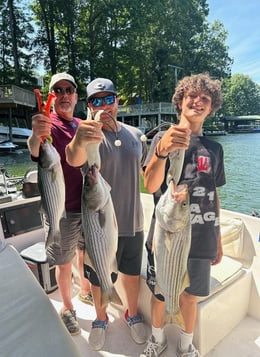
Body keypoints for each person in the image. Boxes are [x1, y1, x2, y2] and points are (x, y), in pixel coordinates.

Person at [141, 73, 225, 357]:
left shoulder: (215, 149)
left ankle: (187, 346)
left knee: (190, 297)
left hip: (203, 236)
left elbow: (215, 193)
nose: (198, 102)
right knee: (160, 293)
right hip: (166, 234)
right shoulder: (162, 140)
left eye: (205, 99)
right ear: (180, 101)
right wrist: (162, 151)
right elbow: (150, 185)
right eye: (191, 96)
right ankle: (157, 339)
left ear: (211, 108)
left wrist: (219, 238)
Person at [65, 77, 147, 350]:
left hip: (133, 221)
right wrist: (79, 139)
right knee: (99, 277)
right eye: (96, 101)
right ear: (89, 106)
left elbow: (149, 175)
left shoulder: (136, 135)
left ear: (117, 100)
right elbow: (73, 157)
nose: (103, 105)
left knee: (131, 275)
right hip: (98, 225)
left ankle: (131, 313)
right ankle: (101, 319)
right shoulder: (89, 136)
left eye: (108, 98)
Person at [27, 72, 99, 335]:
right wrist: (37, 135)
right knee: (64, 260)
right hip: (63, 208)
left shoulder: (80, 123)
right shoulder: (49, 124)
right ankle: (67, 307)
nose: (65, 94)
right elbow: (36, 147)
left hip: (87, 204)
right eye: (59, 90)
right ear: (53, 97)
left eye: (69, 90)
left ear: (76, 96)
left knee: (82, 251)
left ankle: (85, 292)